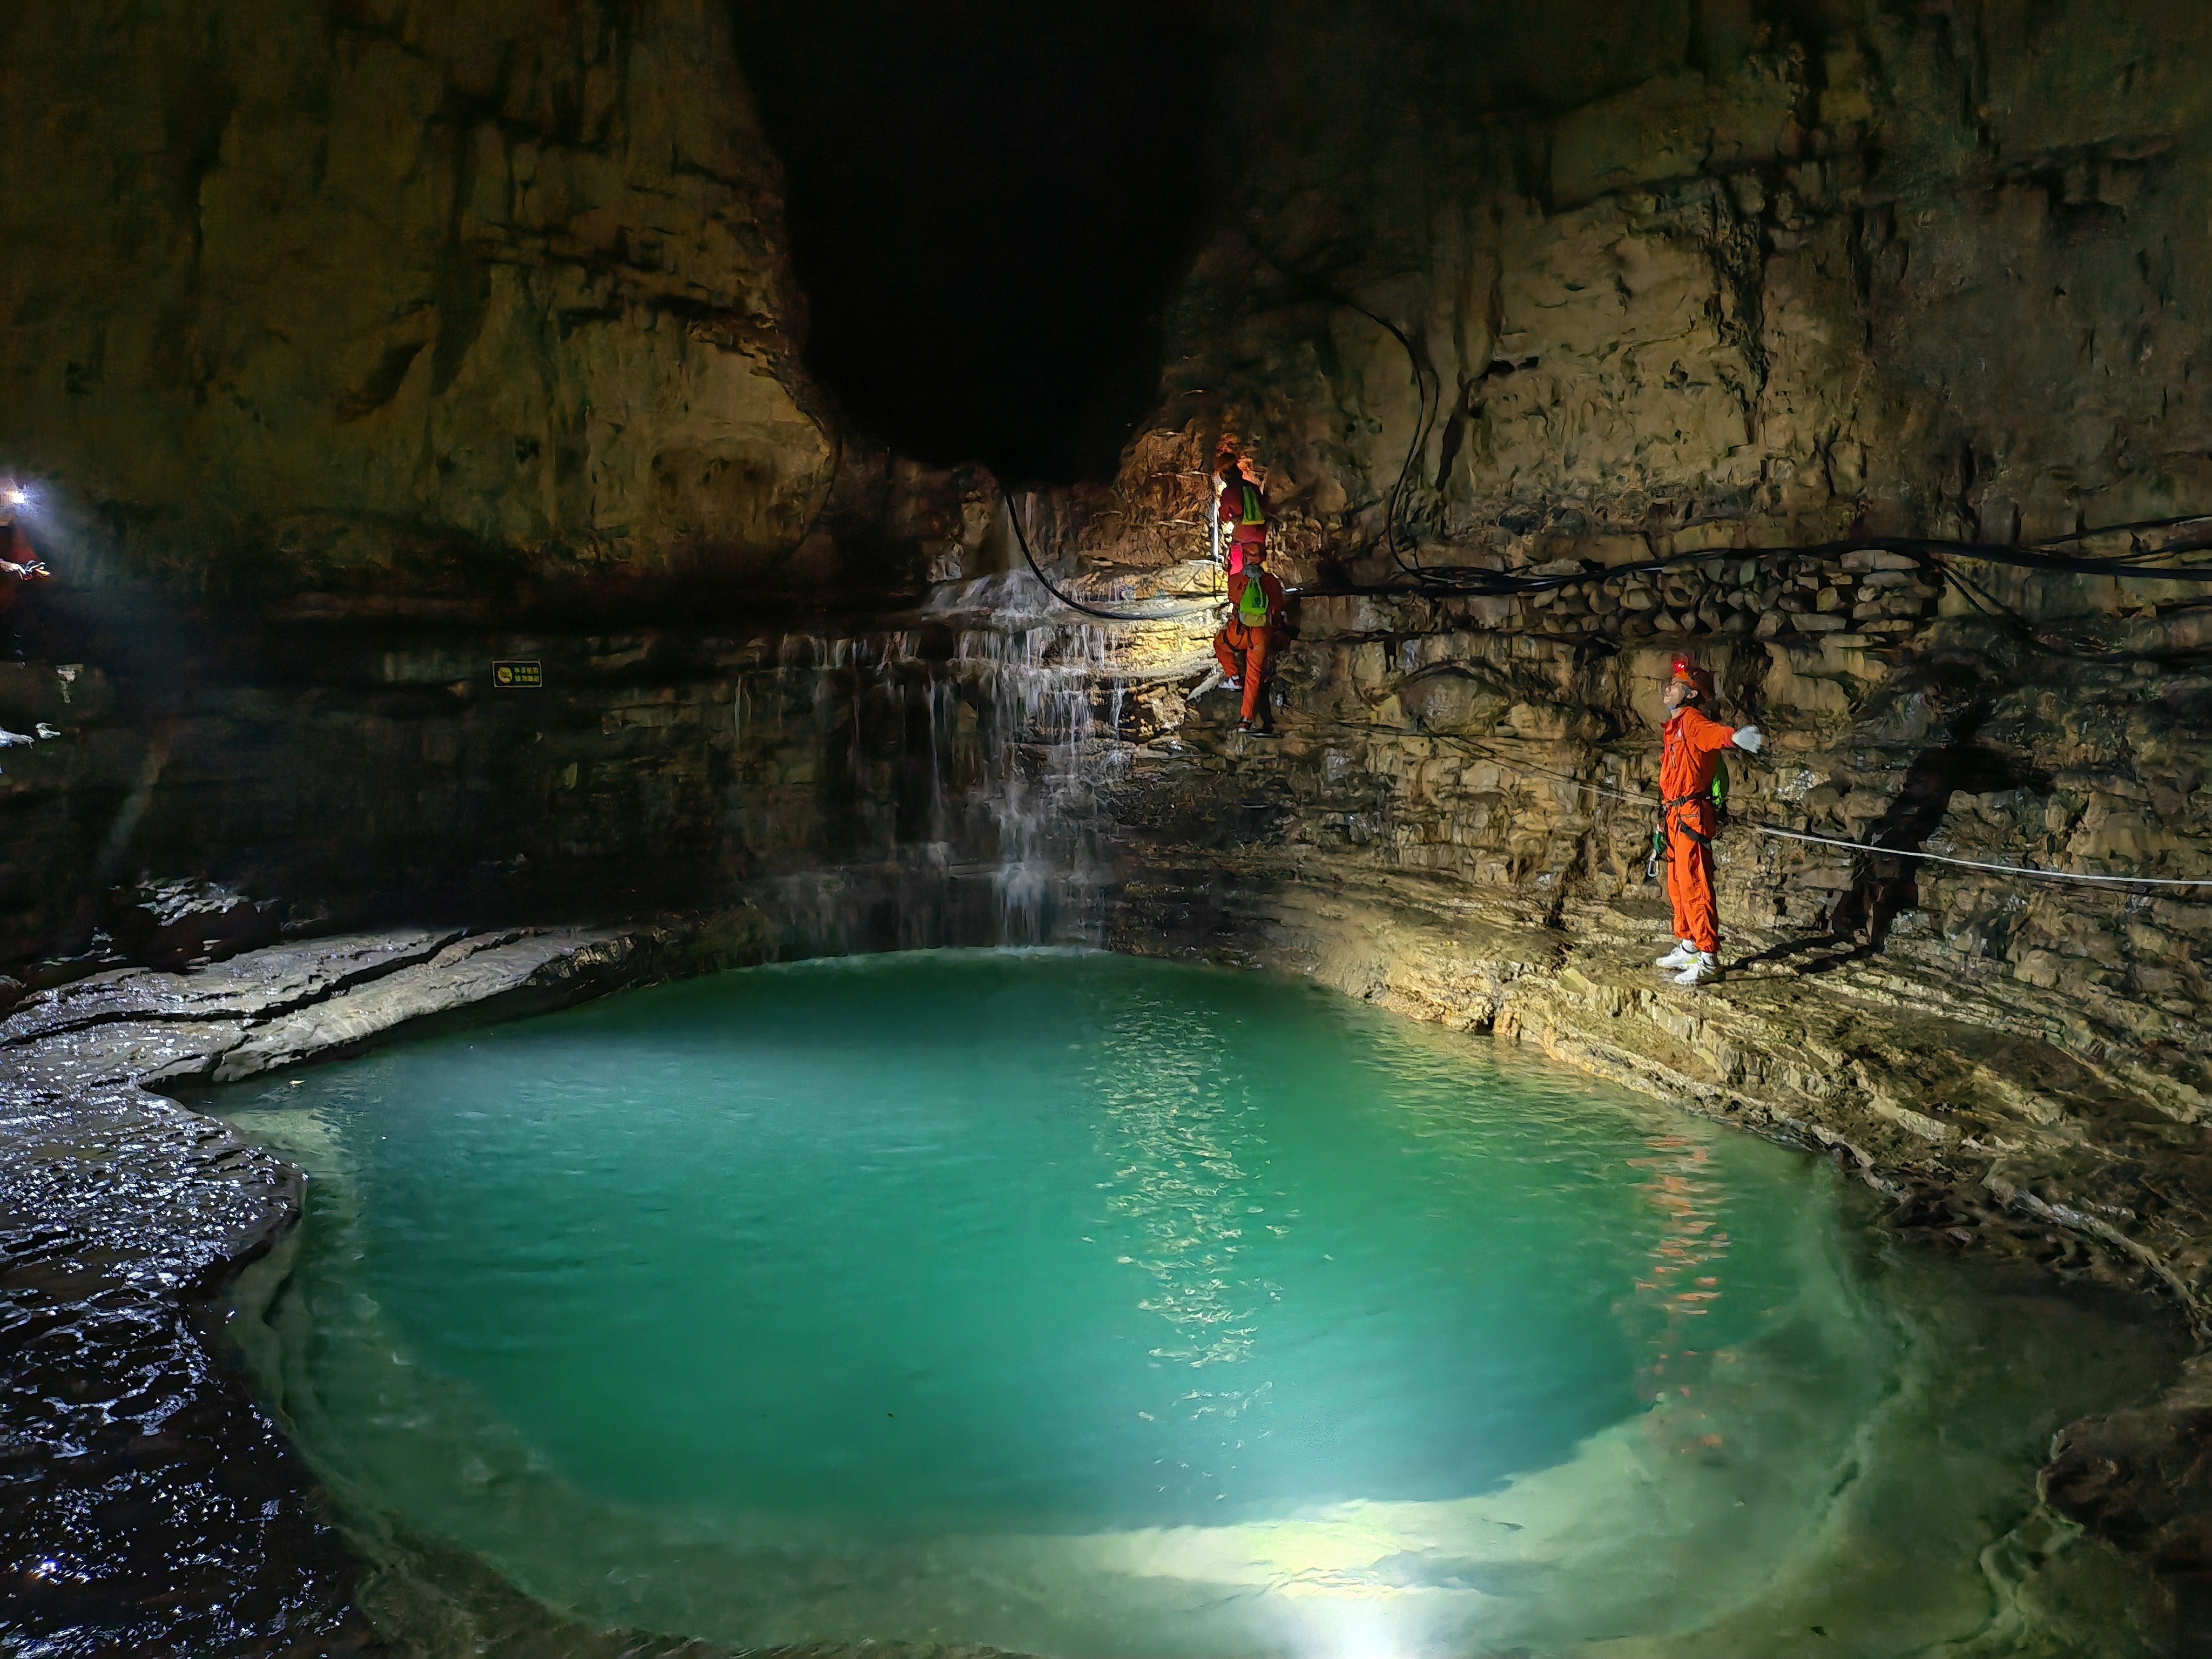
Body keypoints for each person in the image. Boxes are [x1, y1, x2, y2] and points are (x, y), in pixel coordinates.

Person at [1651, 657, 1763, 986]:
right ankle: (1688, 944)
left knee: (1695, 885)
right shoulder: (1674, 728)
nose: (1668, 688)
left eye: (1676, 684)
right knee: (1677, 884)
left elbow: (1715, 735)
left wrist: (1735, 737)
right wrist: (1662, 815)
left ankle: (1709, 958)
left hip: (1691, 815)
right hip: (1675, 814)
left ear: (1690, 695)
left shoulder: (1692, 722)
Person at [1213, 549, 1287, 733]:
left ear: (1245, 559)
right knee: (1254, 674)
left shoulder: (1236, 581)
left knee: (1220, 643)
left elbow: (1234, 602)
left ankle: (1234, 678)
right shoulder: (1271, 582)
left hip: (1241, 633)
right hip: (1261, 634)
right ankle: (1245, 721)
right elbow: (1277, 611)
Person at [1213, 444, 1272, 576]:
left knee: (1233, 557)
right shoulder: (1252, 486)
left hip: (1244, 536)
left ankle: (1238, 581)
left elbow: (1224, 518)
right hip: (1262, 534)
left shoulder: (1228, 493)